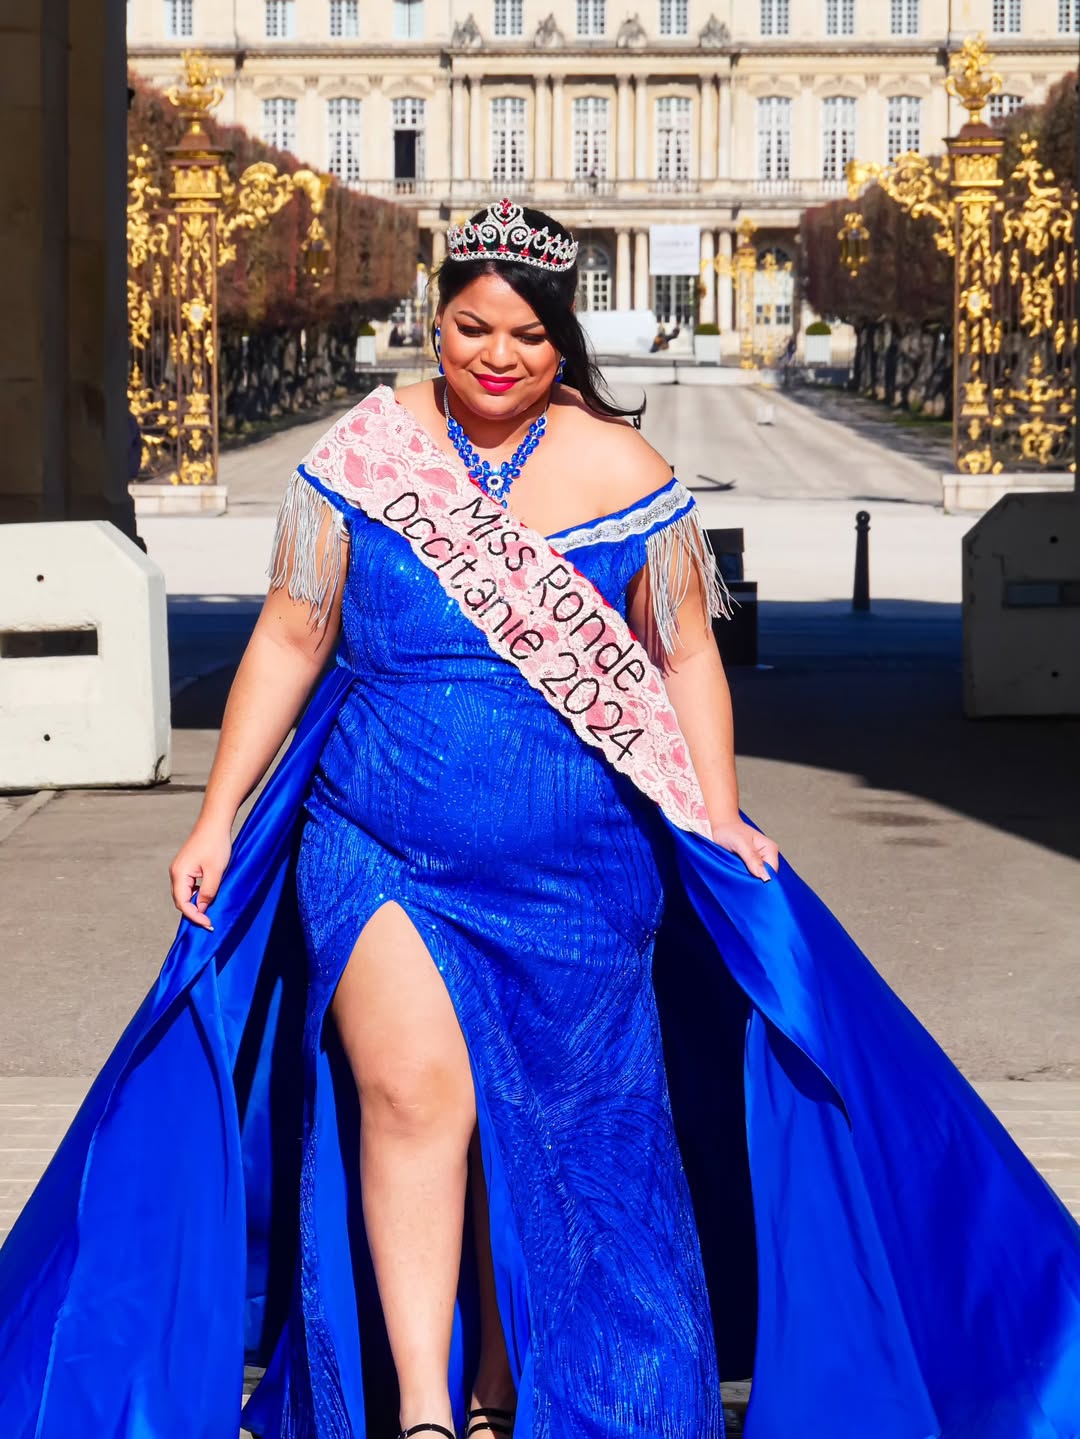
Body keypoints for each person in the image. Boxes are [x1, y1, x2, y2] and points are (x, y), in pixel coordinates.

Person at [2, 200, 1080, 1439]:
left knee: (558, 1128)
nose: (497, 356)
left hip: (580, 869)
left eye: (526, 334)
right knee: (414, 1097)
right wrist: (215, 816)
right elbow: (291, 636)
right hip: (376, 843)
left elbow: (685, 656)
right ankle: (422, 1406)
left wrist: (720, 812)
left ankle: (507, 1386)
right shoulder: (370, 452)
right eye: (473, 327)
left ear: (562, 338)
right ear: (437, 320)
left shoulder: (624, 467)